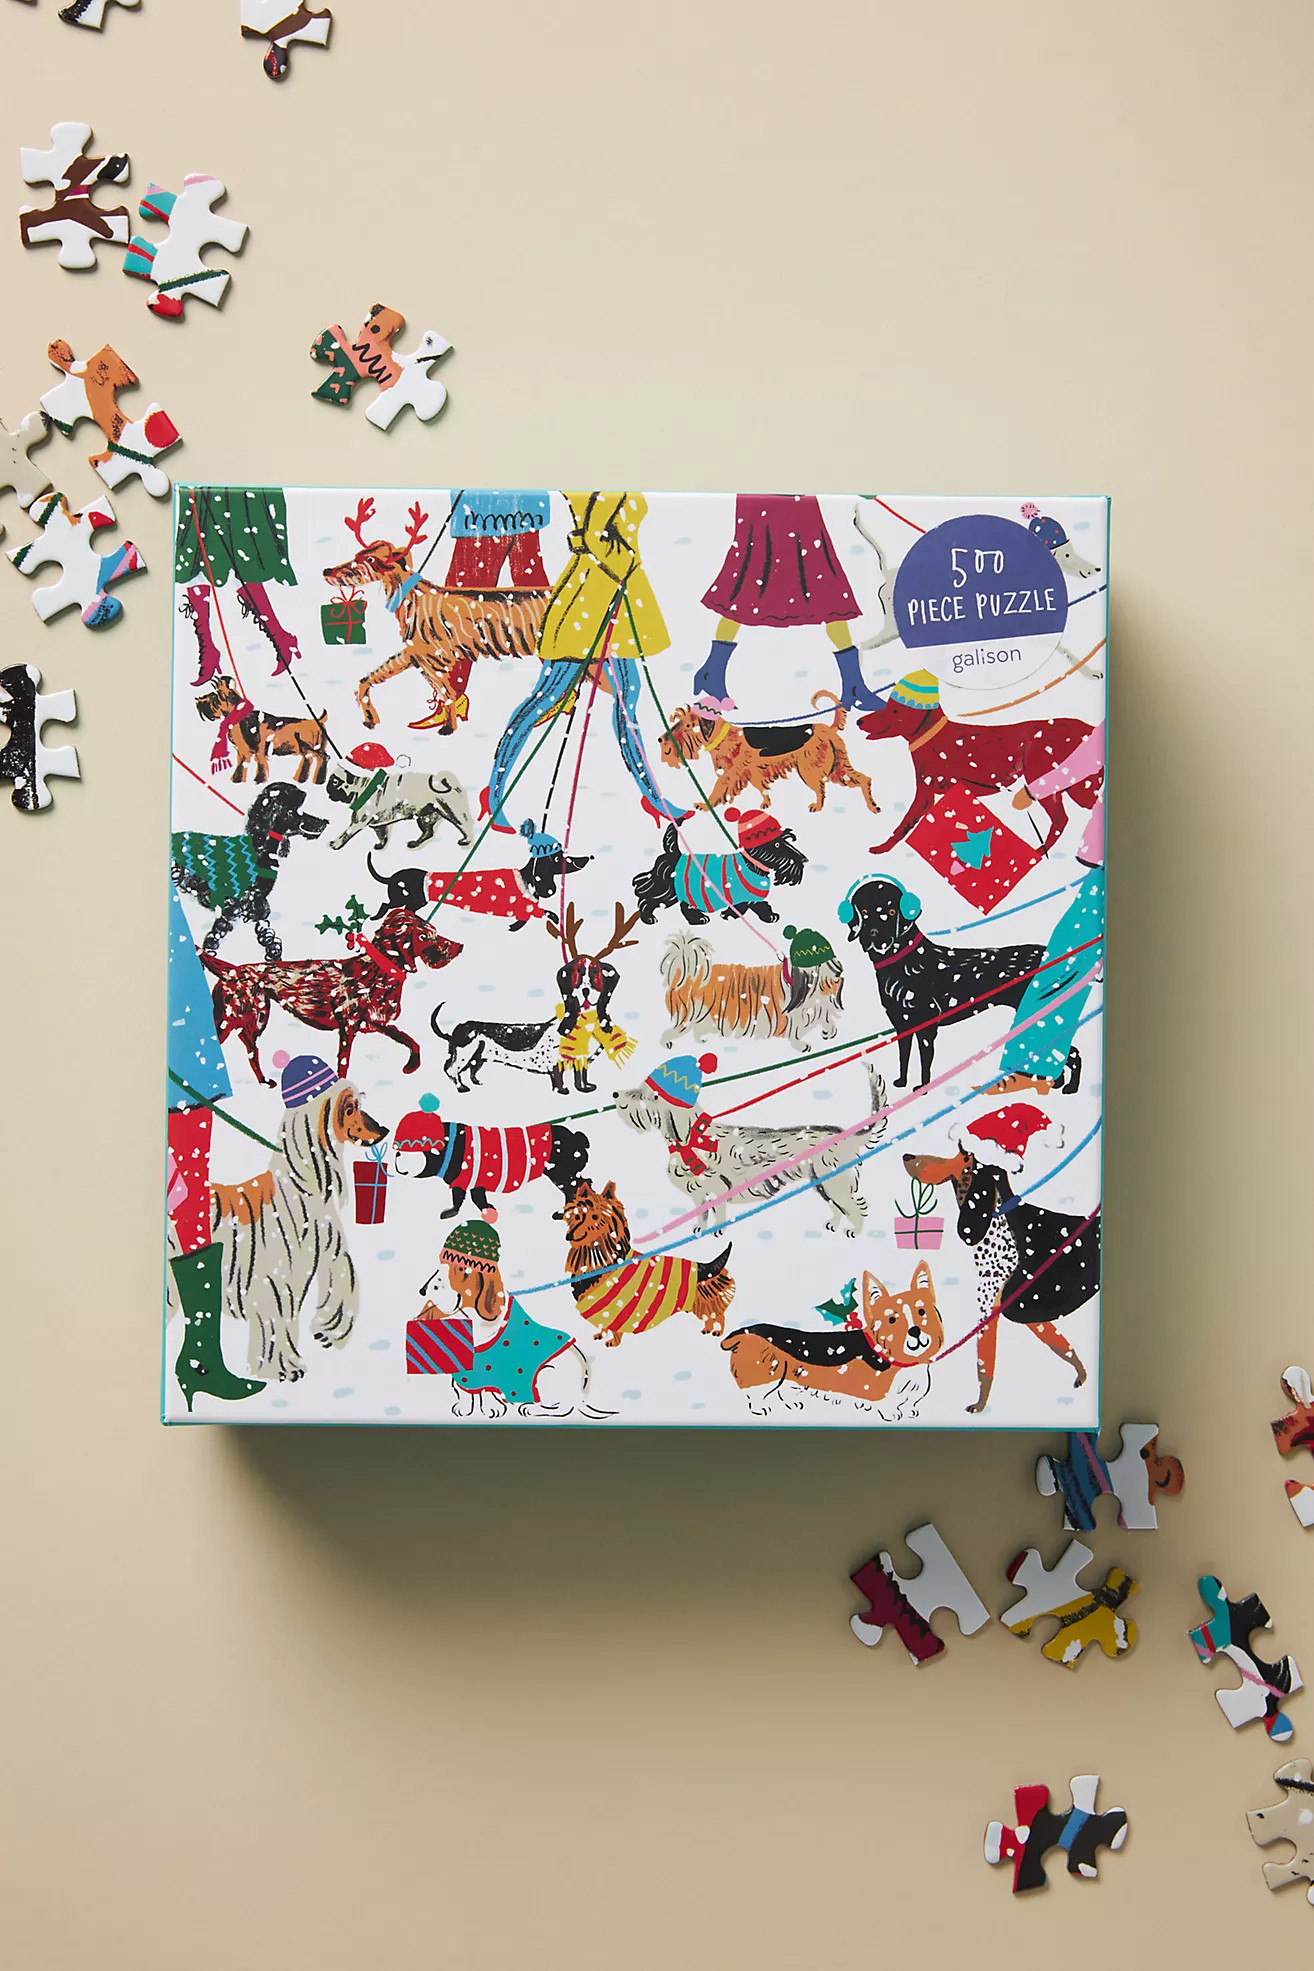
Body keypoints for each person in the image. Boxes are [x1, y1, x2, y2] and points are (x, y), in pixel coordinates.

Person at [487, 491, 688, 828]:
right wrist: (627, 564)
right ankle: (495, 792)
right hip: (592, 597)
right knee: (548, 697)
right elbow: (594, 537)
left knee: (627, 697)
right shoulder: (602, 485)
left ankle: (652, 796)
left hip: (616, 595)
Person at [693, 494, 882, 712]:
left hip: (798, 508)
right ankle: (712, 671)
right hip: (765, 508)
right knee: (747, 586)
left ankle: (854, 685)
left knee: (826, 589)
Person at [176, 485, 303, 683]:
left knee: (243, 554)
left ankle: (279, 636)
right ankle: (207, 647)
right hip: (202, 491)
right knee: (193, 558)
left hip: (234, 492)